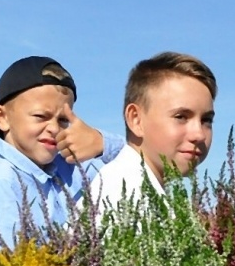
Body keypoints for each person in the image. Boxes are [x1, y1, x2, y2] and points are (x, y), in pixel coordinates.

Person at [0, 56, 110, 245]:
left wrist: (102, 144)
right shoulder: (1, 178)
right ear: (2, 117)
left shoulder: (72, 168)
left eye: (63, 120)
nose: (54, 128)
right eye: (40, 116)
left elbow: (143, 169)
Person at [90, 52, 216, 205]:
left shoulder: (143, 192)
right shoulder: (124, 201)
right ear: (136, 119)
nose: (199, 134)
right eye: (181, 116)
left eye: (206, 120)